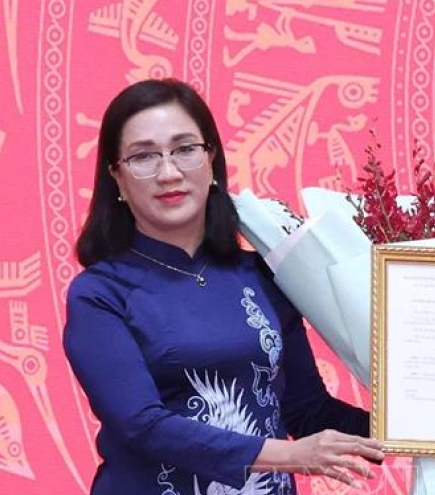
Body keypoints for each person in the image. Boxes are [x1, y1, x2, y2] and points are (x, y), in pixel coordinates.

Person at [63, 78, 384, 495]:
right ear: (117, 178)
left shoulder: (264, 275)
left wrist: (424, 430)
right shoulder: (99, 294)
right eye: (143, 156)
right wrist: (290, 455)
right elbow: (142, 425)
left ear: (211, 158)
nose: (169, 173)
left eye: (185, 149)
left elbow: (307, 410)